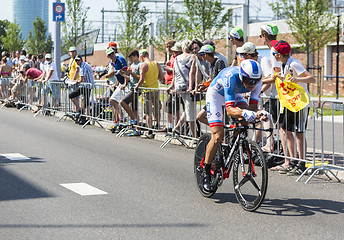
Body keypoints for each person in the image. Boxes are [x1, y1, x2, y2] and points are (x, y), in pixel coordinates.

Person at [202, 59, 270, 191]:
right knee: (217, 135)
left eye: (254, 81)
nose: (251, 84)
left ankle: (233, 145)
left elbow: (252, 108)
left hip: (235, 94)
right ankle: (206, 171)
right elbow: (229, 111)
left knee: (245, 119)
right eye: (248, 80)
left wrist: (260, 113)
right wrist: (246, 113)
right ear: (241, 75)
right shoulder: (231, 77)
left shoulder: (256, 82)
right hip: (216, 95)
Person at [268, 40, 315, 175]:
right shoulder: (284, 64)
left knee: (299, 133)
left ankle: (302, 163)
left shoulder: (294, 63)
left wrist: (299, 79)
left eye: (276, 52)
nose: (275, 55)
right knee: (287, 130)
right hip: (290, 102)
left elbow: (312, 78)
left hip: (300, 103)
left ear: (282, 53)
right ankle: (293, 161)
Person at [236, 42, 275, 152]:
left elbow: (270, 79)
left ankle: (269, 144)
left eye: (243, 55)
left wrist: (259, 91)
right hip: (256, 93)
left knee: (264, 118)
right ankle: (254, 142)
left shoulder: (263, 60)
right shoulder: (249, 63)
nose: (242, 58)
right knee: (254, 117)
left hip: (265, 95)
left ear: (248, 55)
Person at [167, 40, 197, 138]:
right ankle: (194, 136)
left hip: (179, 86)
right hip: (187, 87)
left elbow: (175, 73)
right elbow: (192, 73)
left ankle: (177, 127)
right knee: (191, 113)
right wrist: (192, 87)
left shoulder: (176, 59)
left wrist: (172, 86)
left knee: (188, 110)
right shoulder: (192, 57)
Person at [196, 44, 227, 125]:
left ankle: (222, 132)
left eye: (201, 54)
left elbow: (222, 79)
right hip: (214, 96)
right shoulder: (210, 63)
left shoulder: (219, 62)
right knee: (199, 117)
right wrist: (205, 85)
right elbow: (211, 79)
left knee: (223, 120)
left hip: (221, 96)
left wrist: (209, 87)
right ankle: (220, 129)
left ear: (205, 54)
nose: (201, 56)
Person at [135, 49, 164, 132]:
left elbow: (141, 79)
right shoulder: (156, 63)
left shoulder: (143, 65)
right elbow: (161, 76)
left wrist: (137, 86)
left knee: (148, 111)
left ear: (141, 56)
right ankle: (158, 124)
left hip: (147, 90)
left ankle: (150, 129)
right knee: (156, 108)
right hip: (155, 89)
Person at [104, 47, 128, 123]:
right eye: (109, 55)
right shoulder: (112, 63)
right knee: (112, 100)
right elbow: (117, 73)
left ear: (114, 53)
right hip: (120, 84)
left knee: (125, 103)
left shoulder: (120, 59)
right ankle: (122, 117)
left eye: (112, 53)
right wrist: (116, 83)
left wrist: (125, 83)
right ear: (108, 56)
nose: (111, 55)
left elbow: (125, 72)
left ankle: (131, 121)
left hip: (126, 84)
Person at [68, 55, 94, 124]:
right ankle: (80, 110)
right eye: (76, 60)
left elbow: (81, 79)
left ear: (81, 60)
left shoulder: (83, 66)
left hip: (87, 86)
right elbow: (80, 77)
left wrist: (74, 82)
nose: (77, 61)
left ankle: (87, 118)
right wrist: (74, 80)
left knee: (86, 102)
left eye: (78, 60)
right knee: (71, 95)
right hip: (83, 85)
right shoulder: (80, 66)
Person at [119, 49, 141, 127]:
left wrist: (132, 73)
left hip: (136, 88)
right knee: (134, 108)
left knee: (123, 102)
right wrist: (123, 75)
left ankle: (134, 119)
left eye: (131, 57)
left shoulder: (140, 65)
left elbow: (140, 77)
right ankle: (137, 128)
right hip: (131, 87)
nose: (130, 60)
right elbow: (131, 78)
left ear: (136, 56)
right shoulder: (132, 65)